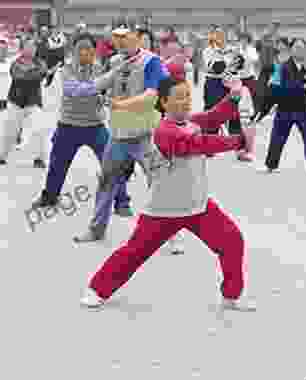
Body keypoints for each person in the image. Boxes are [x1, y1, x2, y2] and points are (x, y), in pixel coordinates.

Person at [79, 62, 257, 311]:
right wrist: (239, 141)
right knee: (134, 253)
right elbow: (201, 144)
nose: (185, 102)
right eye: (178, 98)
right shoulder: (164, 131)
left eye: (187, 96)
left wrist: (235, 96)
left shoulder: (192, 121)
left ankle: (231, 295)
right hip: (164, 211)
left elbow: (215, 117)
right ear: (163, 103)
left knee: (232, 241)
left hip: (198, 206)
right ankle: (97, 289)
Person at [73, 19, 173, 242]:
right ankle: (97, 229)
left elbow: (151, 95)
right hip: (118, 136)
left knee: (159, 181)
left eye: (125, 37)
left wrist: (122, 104)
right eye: (117, 38)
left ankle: (171, 234)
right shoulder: (116, 60)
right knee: (106, 182)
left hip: (144, 135)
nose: (120, 41)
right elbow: (102, 86)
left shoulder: (152, 62)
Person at [30, 33, 130, 210]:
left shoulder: (99, 68)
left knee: (112, 163)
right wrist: (107, 80)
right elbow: (74, 90)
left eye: (88, 48)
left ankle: (121, 201)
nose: (84, 52)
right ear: (73, 51)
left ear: (94, 50)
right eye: (80, 48)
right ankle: (50, 197)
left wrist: (105, 97)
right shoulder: (66, 68)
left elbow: (105, 92)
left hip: (95, 126)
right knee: (57, 165)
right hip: (68, 125)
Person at [261, 37, 306, 175]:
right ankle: (270, 166)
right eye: (296, 47)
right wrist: (305, 85)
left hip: (303, 109)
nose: (299, 50)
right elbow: (287, 86)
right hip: (285, 108)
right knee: (277, 138)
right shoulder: (284, 66)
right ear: (291, 49)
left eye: (302, 47)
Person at [0, 36, 49, 167]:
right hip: (15, 102)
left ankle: (39, 158)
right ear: (23, 48)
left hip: (33, 103)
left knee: (39, 129)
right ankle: (2, 156)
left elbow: (41, 73)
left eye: (33, 47)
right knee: (9, 132)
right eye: (28, 46)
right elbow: (18, 76)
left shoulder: (40, 63)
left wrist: (32, 75)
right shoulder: (16, 63)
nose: (31, 49)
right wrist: (33, 75)